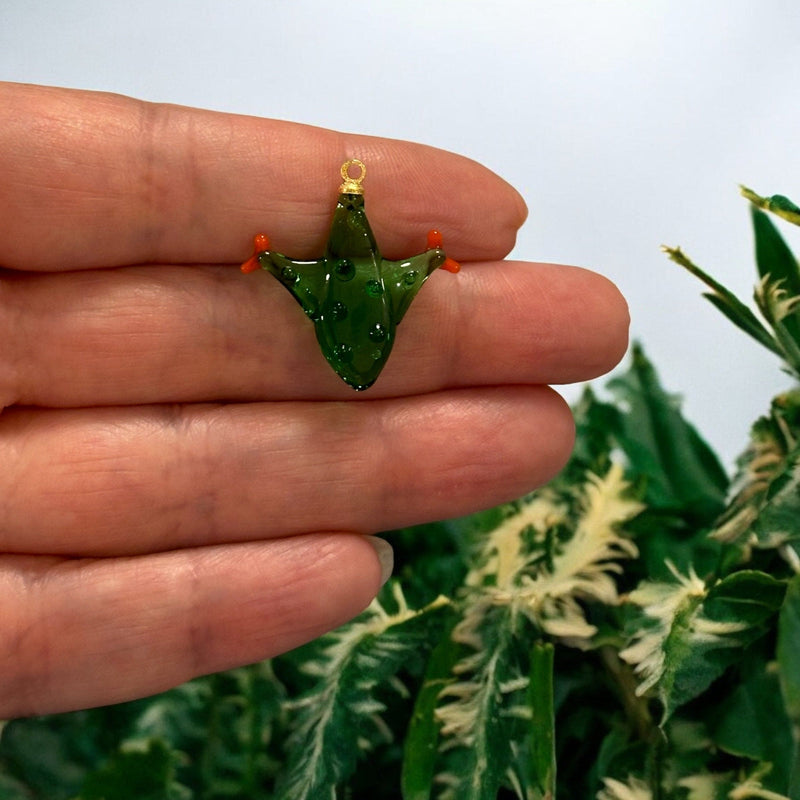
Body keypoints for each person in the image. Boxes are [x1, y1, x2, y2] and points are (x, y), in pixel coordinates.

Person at [0, 82, 629, 718]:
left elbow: (379, 276)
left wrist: (394, 259)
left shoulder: (363, 282)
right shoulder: (363, 282)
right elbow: (380, 276)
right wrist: (406, 259)